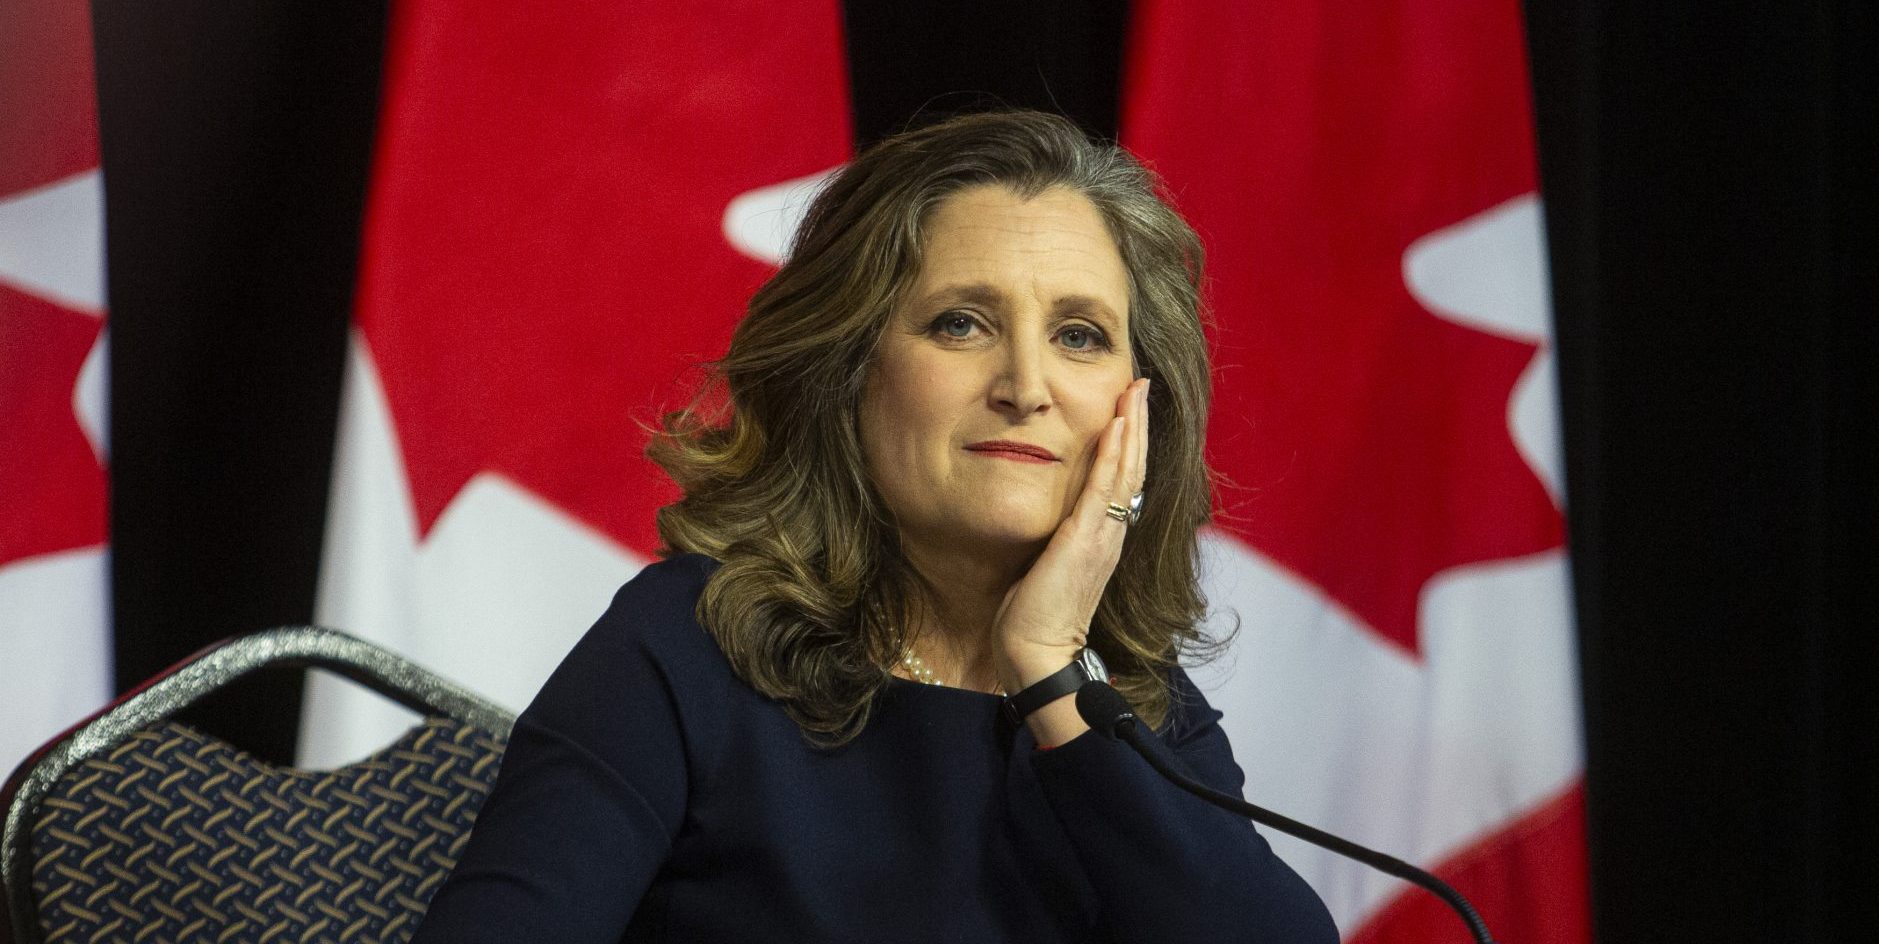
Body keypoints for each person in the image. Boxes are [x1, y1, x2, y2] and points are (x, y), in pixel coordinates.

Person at [409, 110, 1337, 943]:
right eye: (961, 324)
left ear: (1137, 410)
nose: (1025, 385)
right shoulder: (689, 645)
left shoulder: (1122, 699)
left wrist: (1049, 667)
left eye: (1080, 336)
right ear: (849, 375)